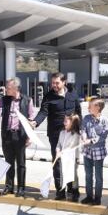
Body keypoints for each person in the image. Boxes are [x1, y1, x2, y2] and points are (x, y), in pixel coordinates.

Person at [34, 72, 82, 200]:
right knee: (57, 162)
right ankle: (60, 190)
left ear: (64, 82)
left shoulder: (72, 93)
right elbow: (43, 112)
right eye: (52, 83)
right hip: (55, 134)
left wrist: (80, 129)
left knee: (71, 162)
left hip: (72, 134)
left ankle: (72, 189)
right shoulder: (49, 96)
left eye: (57, 83)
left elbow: (78, 111)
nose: (54, 85)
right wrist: (35, 122)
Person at [0, 78, 36, 197]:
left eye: (8, 88)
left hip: (20, 135)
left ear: (16, 88)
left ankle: (21, 188)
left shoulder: (27, 100)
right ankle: (9, 187)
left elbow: (31, 119)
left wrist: (30, 136)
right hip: (7, 135)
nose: (6, 90)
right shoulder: (4, 100)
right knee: (8, 162)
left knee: (21, 163)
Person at [80, 99, 108, 205]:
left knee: (98, 176)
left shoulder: (104, 120)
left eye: (90, 106)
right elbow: (83, 129)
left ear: (98, 107)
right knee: (88, 175)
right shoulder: (86, 118)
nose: (88, 108)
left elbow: (103, 136)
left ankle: (97, 198)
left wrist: (91, 141)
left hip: (98, 151)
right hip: (87, 150)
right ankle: (89, 196)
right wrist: (84, 137)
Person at [57, 112, 82, 200]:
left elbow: (73, 147)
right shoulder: (62, 133)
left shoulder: (76, 135)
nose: (64, 123)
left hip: (72, 159)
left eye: (66, 121)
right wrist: (58, 150)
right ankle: (62, 192)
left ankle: (75, 192)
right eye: (64, 121)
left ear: (72, 123)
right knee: (62, 174)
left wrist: (77, 158)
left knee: (73, 176)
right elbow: (59, 144)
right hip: (63, 158)